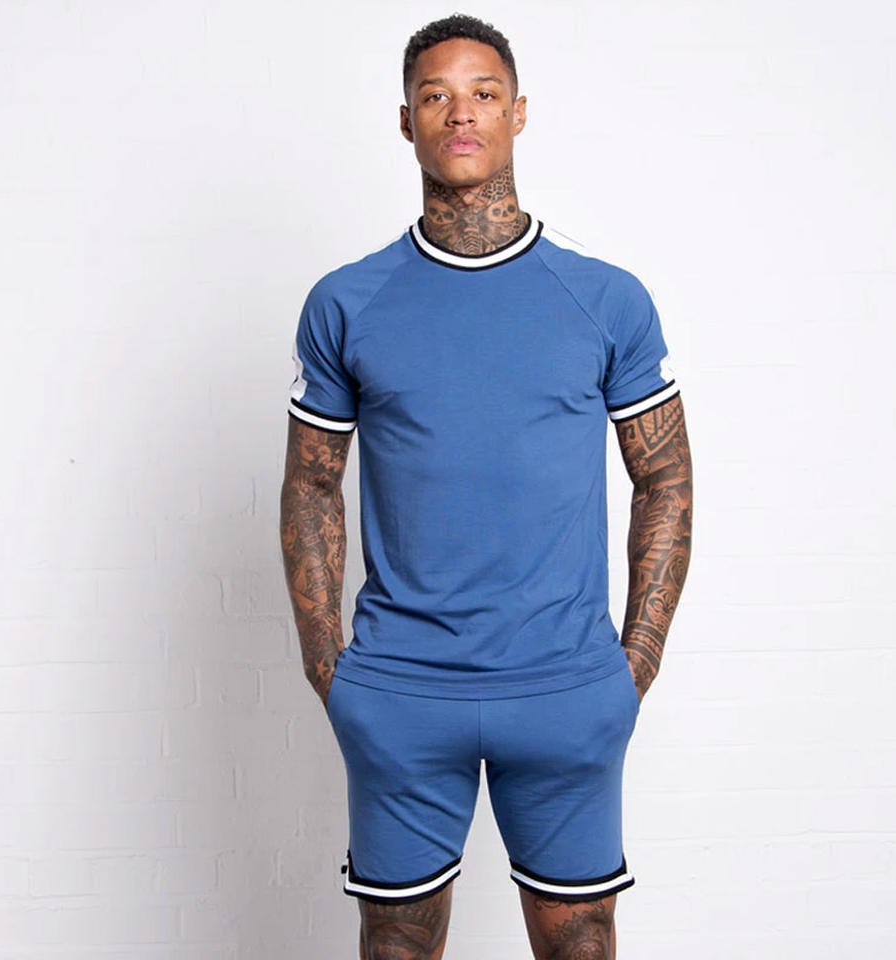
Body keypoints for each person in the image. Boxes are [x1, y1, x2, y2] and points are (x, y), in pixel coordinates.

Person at [279, 13, 693, 960]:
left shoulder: (606, 298)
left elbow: (665, 474)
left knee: (580, 942)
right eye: (435, 95)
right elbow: (311, 484)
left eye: (483, 93)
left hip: (565, 688)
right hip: (401, 691)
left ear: (518, 112)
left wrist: (632, 664)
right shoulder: (347, 301)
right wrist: (329, 668)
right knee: (396, 943)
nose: (459, 112)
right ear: (406, 121)